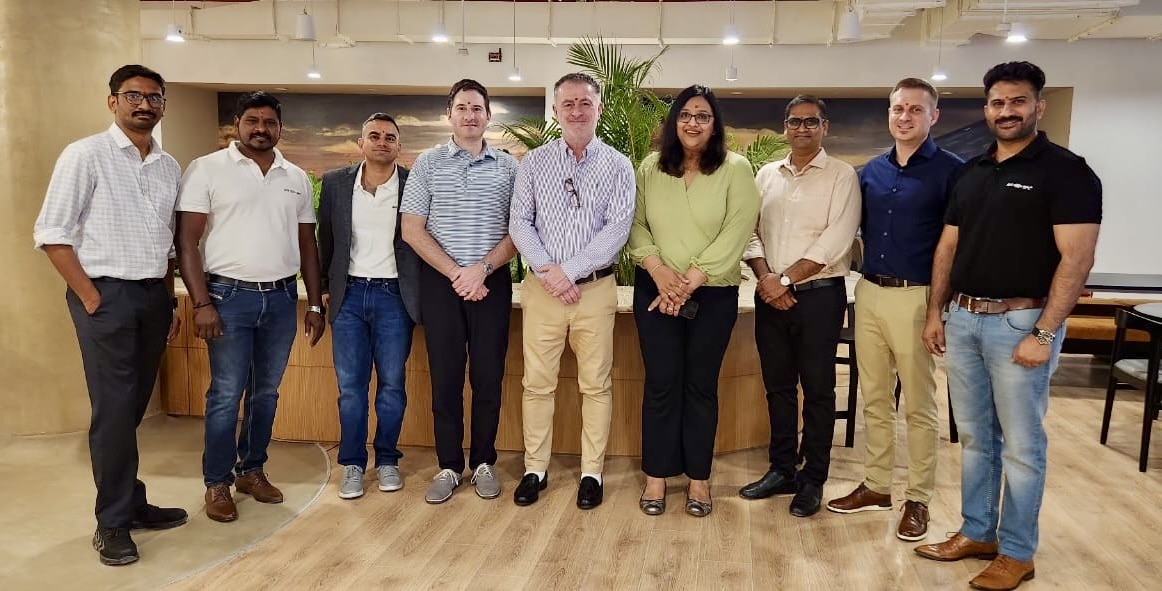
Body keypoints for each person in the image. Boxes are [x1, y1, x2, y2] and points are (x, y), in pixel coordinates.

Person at [914, 61, 1101, 591]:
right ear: (987, 108)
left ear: (1037, 106)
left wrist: (1043, 333)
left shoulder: (1067, 171)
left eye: (1017, 101)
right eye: (997, 102)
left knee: (1021, 445)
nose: (1007, 111)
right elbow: (948, 245)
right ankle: (979, 531)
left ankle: (1018, 551)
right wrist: (936, 311)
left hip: (1021, 321)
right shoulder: (972, 172)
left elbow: (1078, 258)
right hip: (964, 318)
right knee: (975, 438)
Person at [33, 64, 187, 566]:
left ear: (163, 105)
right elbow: (52, 235)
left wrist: (167, 300)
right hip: (106, 296)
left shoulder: (168, 166)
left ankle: (132, 501)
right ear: (112, 101)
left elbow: (166, 244)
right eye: (133, 96)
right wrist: (92, 297)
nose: (144, 105)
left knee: (132, 408)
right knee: (114, 412)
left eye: (154, 98)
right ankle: (112, 523)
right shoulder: (85, 155)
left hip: (151, 297)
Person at [177, 91, 325, 523]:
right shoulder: (207, 169)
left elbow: (307, 245)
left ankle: (252, 470)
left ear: (280, 127)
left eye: (270, 122)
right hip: (227, 298)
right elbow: (186, 242)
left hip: (280, 298)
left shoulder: (294, 176)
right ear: (237, 124)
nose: (261, 128)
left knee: (266, 393)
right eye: (253, 121)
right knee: (226, 394)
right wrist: (201, 302)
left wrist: (314, 303)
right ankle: (217, 482)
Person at [826, 78, 963, 542]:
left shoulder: (952, 173)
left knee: (920, 406)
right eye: (897, 109)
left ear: (933, 116)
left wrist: (936, 312)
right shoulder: (870, 172)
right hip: (868, 293)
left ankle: (918, 499)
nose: (904, 117)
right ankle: (877, 486)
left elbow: (955, 247)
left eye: (915, 110)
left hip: (919, 296)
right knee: (875, 399)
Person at [628, 84, 760, 518]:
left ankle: (700, 481)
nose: (693, 123)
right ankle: (656, 477)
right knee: (661, 385)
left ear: (714, 123)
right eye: (685, 114)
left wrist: (688, 282)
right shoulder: (650, 167)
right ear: (674, 122)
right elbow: (635, 226)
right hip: (655, 289)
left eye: (703, 115)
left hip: (713, 293)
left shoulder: (736, 169)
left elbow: (737, 231)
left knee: (701, 387)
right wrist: (661, 274)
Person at [508, 73, 636, 510]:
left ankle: (591, 472)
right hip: (542, 290)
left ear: (598, 109)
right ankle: (534, 469)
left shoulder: (619, 166)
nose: (577, 111)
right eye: (568, 104)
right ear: (556, 111)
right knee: (537, 384)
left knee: (595, 385)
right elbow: (520, 222)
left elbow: (618, 229)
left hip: (595, 290)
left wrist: (571, 271)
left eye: (585, 103)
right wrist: (549, 271)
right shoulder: (534, 163)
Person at [740, 94, 861, 518]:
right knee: (777, 388)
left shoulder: (842, 176)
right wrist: (765, 279)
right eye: (795, 122)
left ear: (824, 126)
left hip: (819, 298)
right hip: (770, 296)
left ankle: (813, 480)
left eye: (812, 122)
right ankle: (782, 470)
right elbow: (748, 230)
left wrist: (785, 279)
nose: (803, 129)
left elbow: (837, 239)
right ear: (785, 127)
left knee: (818, 390)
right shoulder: (766, 175)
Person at [400, 79, 519, 504]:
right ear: (449, 114)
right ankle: (449, 466)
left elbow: (519, 230)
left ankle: (484, 460)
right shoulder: (427, 165)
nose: (470, 115)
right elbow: (412, 229)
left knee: (488, 377)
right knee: (445, 379)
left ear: (489, 116)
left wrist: (481, 270)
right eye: (462, 107)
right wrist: (458, 274)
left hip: (492, 283)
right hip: (442, 284)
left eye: (478, 108)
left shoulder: (509, 168)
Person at [318, 113, 421, 499]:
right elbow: (324, 240)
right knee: (351, 388)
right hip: (349, 298)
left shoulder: (414, 184)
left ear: (399, 146)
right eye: (374, 136)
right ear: (360, 143)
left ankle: (389, 460)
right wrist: (324, 291)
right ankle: (353, 465)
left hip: (395, 297)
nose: (382, 142)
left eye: (389, 137)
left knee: (392, 385)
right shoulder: (335, 184)